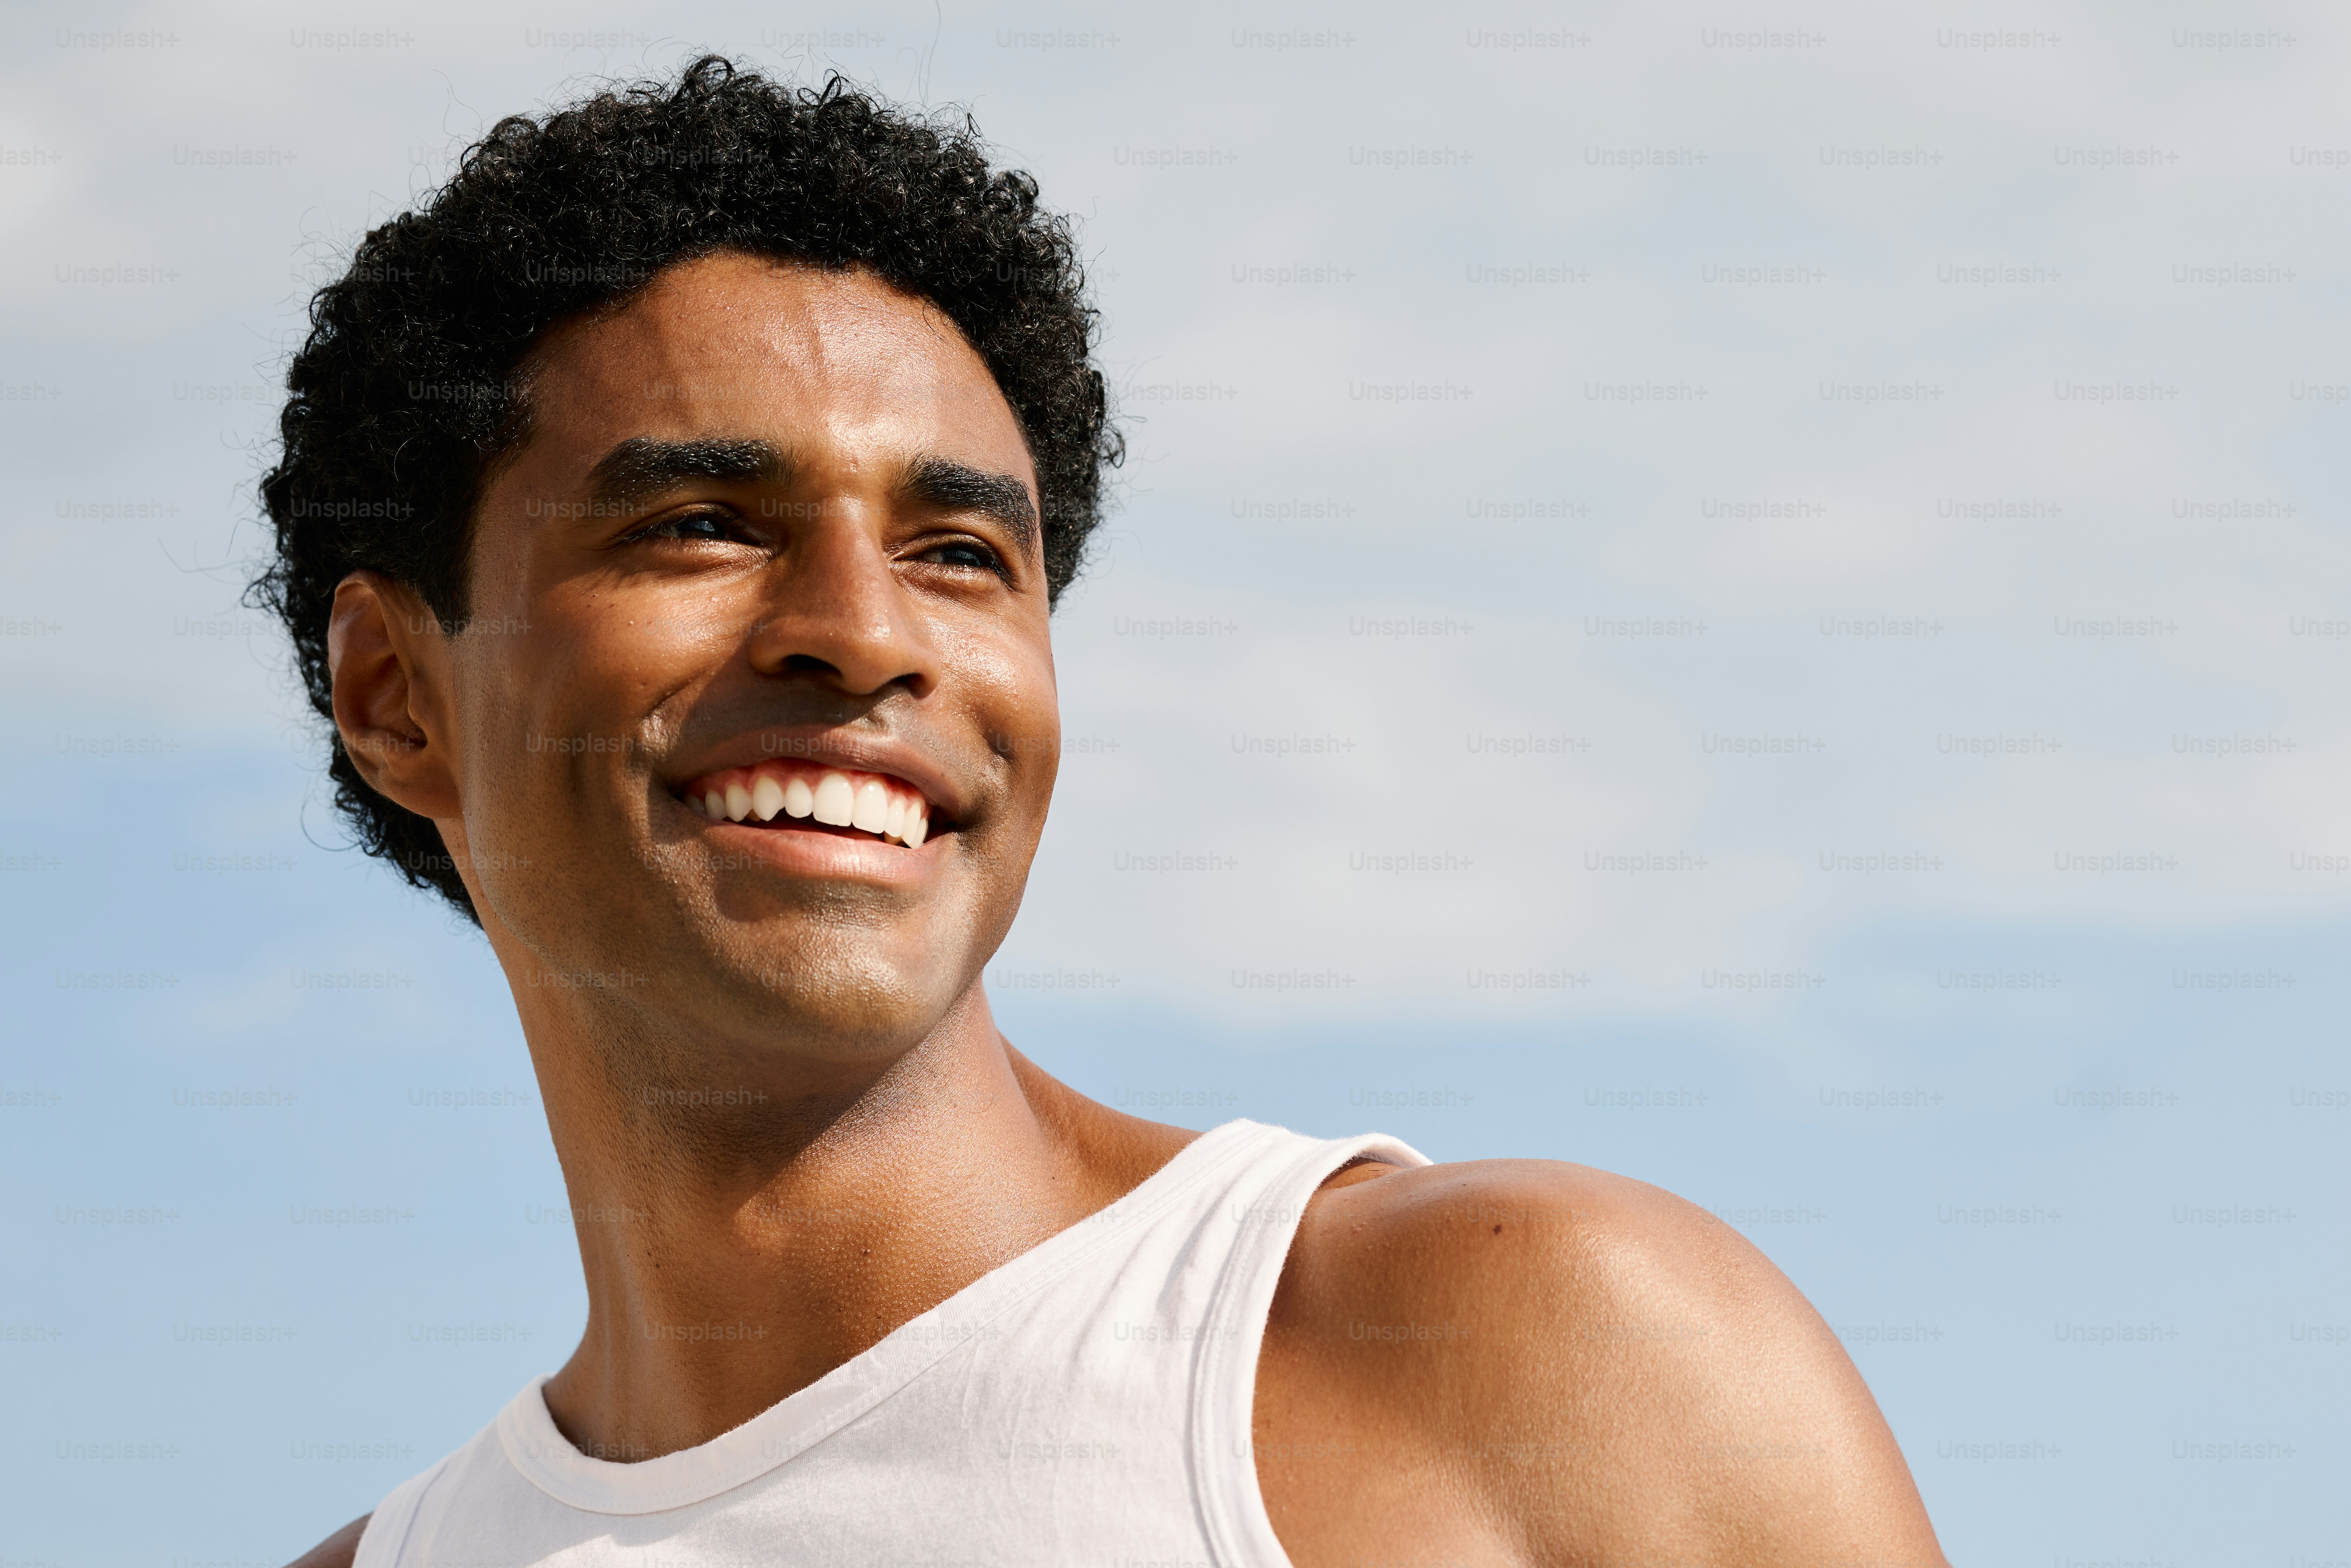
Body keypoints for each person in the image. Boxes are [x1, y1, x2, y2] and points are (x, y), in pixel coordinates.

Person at [270, 57, 1943, 1568]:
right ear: (394, 695)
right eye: (704, 521)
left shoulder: (1527, 1355)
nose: (862, 632)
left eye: (956, 555)